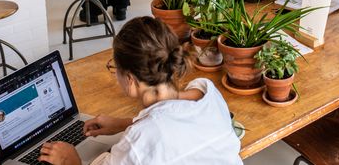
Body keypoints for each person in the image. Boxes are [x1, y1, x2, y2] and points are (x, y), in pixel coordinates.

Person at [37, 17, 242, 165]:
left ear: (130, 79)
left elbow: (156, 131)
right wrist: (123, 123)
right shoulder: (207, 92)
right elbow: (174, 113)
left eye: (115, 69)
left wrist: (70, 161)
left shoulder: (140, 141)